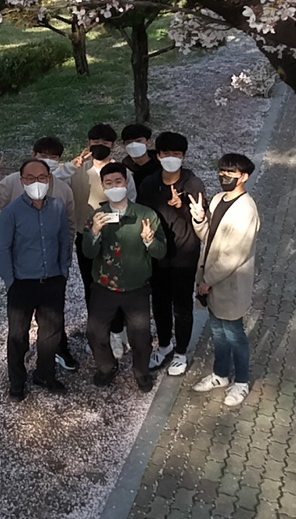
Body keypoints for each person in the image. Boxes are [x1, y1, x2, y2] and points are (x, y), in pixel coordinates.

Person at [0, 136, 79, 370]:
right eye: (43, 155)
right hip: (22, 268)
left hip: (52, 269)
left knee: (53, 318)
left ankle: (57, 352)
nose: (48, 160)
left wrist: (64, 265)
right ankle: (17, 375)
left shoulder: (62, 189)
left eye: (54, 157)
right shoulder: (14, 181)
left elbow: (69, 227)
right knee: (19, 325)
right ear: (33, 155)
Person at [81, 162, 166, 391]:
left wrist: (149, 240)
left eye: (118, 181)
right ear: (102, 186)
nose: (114, 186)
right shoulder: (97, 216)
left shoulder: (145, 215)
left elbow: (161, 252)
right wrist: (94, 232)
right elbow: (88, 253)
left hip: (136, 288)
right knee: (96, 333)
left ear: (126, 183)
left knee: (141, 337)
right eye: (108, 183)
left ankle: (142, 372)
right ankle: (106, 367)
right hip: (103, 287)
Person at [0, 158, 73, 400]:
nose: (35, 182)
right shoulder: (11, 212)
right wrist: (11, 281)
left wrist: (63, 271)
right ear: (22, 181)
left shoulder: (57, 208)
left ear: (49, 179)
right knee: (17, 336)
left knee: (50, 334)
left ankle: (45, 374)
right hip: (22, 284)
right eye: (30, 178)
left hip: (52, 281)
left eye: (41, 177)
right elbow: (3, 249)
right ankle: (17, 382)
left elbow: (64, 239)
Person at [189, 152, 261, 407]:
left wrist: (207, 280)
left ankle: (241, 381)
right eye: (222, 171)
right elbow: (209, 237)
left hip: (229, 285)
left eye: (231, 172)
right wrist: (200, 219)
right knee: (218, 331)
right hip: (211, 281)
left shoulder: (246, 210)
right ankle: (220, 374)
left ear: (244, 177)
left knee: (234, 334)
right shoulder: (219, 199)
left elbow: (234, 255)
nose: (225, 176)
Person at [140, 131, 207, 377]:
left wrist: (183, 208)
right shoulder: (149, 184)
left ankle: (180, 352)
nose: (171, 158)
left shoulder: (193, 184)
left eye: (176, 154)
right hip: (158, 255)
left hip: (184, 255)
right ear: (158, 156)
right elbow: (142, 215)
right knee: (159, 303)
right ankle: (165, 345)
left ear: (184, 156)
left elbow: (201, 218)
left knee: (182, 306)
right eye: (166, 153)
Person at [70, 124, 138, 358]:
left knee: (114, 286)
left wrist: (107, 219)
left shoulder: (121, 171)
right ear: (88, 143)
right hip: (85, 237)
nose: (100, 145)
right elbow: (55, 187)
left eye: (105, 142)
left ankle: (118, 331)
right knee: (92, 287)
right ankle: (99, 333)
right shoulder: (76, 169)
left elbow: (131, 203)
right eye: (95, 141)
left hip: (115, 239)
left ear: (113, 145)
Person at [120, 122, 160, 190]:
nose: (134, 145)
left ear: (148, 142)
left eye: (138, 141)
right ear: (124, 145)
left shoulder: (159, 163)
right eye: (129, 142)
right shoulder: (125, 166)